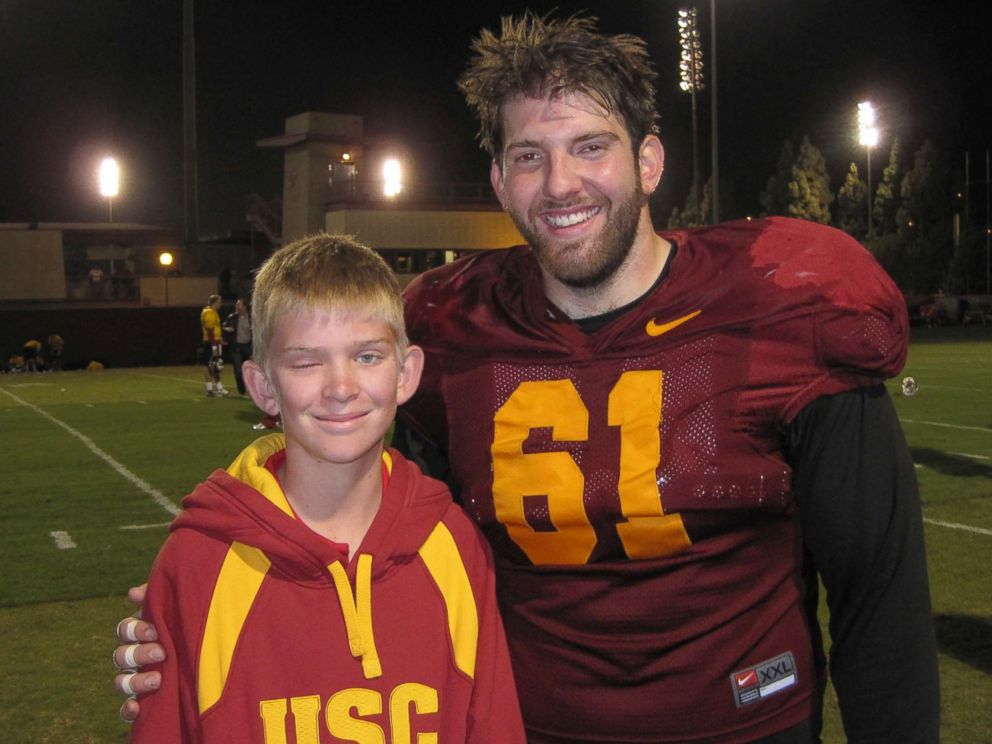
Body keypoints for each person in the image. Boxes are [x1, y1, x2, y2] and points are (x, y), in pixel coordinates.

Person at [115, 13, 939, 743]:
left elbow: (879, 590)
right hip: (530, 725)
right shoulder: (450, 329)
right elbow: (367, 532)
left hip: (749, 722)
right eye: (530, 157)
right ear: (503, 182)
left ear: (649, 161)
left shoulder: (781, 302)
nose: (562, 184)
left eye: (591, 146)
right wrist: (191, 615)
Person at [125, 234, 523, 743]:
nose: (340, 387)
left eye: (367, 357)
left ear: (407, 373)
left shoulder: (455, 547)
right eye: (306, 362)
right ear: (263, 386)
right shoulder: (198, 561)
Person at [200, 294, 230, 397]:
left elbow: (215, 330)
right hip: (210, 343)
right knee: (211, 366)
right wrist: (213, 346)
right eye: (219, 302)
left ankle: (218, 388)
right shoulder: (208, 313)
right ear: (215, 302)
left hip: (215, 342)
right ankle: (211, 389)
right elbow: (209, 331)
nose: (220, 304)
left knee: (216, 366)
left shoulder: (213, 312)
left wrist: (220, 340)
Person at [221, 297, 252, 395]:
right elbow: (223, 326)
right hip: (237, 346)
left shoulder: (251, 317)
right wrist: (227, 330)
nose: (236, 306)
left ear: (244, 307)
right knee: (238, 369)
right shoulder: (232, 317)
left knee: (250, 370)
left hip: (248, 346)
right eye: (236, 304)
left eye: (239, 304)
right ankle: (241, 389)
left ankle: (252, 389)